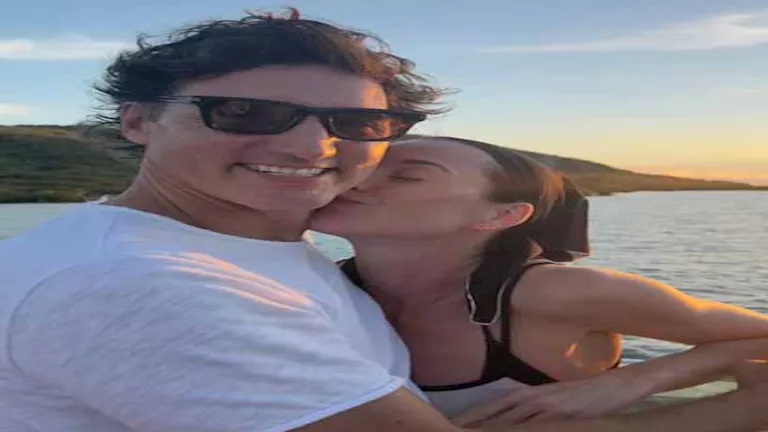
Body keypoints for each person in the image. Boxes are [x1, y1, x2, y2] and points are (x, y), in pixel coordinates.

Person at [1, 8, 767, 432]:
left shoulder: (273, 255)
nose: (311, 147)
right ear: (138, 121)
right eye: (245, 112)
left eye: (358, 125)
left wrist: (656, 377)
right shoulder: (145, 287)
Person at [311, 135, 768, 420]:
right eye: (369, 167)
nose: (354, 180)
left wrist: (640, 379)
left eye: (408, 177)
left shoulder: (553, 293)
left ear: (503, 215)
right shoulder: (319, 289)